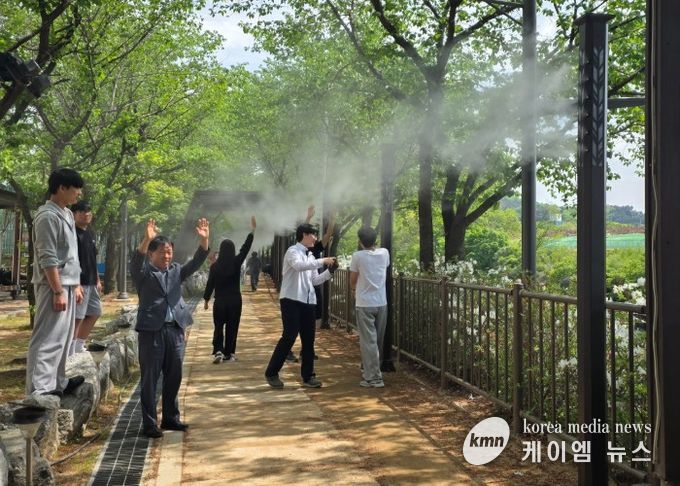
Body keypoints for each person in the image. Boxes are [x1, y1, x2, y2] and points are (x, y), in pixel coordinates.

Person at [131, 218, 209, 438]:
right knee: (150, 379)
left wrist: (204, 241)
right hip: (151, 332)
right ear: (151, 254)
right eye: (162, 253)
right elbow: (135, 263)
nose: (167, 256)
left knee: (174, 376)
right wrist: (147, 239)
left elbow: (196, 263)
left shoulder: (176, 270)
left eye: (169, 253)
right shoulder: (144, 273)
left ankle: (170, 418)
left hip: (175, 330)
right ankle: (149, 424)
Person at [26, 168, 85, 397]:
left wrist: (76, 284)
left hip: (67, 284)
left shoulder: (67, 214)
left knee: (63, 337)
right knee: (47, 337)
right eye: (76, 188)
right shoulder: (47, 217)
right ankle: (40, 389)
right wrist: (58, 290)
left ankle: (58, 382)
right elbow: (48, 257)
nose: (78, 193)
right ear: (61, 188)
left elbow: (70, 254)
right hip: (53, 286)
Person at [264, 223, 335, 389]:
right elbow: (298, 266)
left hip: (308, 301)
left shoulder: (310, 256)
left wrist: (330, 272)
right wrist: (323, 260)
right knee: (289, 336)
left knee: (309, 340)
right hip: (291, 299)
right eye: (314, 235)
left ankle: (308, 376)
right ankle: (271, 372)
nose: (316, 238)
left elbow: (314, 280)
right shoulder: (292, 251)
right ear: (304, 235)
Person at [203, 216, 256, 363]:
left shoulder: (215, 266)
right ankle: (229, 353)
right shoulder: (236, 262)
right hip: (234, 301)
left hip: (220, 301)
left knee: (218, 326)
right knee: (232, 327)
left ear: (220, 251)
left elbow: (210, 284)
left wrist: (206, 300)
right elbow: (245, 248)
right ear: (232, 250)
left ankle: (218, 351)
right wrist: (252, 231)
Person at [349, 226, 390, 388]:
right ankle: (370, 368)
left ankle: (373, 378)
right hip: (381, 302)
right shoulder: (384, 253)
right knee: (376, 340)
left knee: (368, 342)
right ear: (375, 240)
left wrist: (354, 290)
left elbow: (353, 279)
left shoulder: (357, 256)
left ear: (360, 241)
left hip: (364, 303)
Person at [69, 201, 102, 355]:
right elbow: (72, 260)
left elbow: (93, 259)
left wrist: (98, 279)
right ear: (74, 214)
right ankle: (70, 350)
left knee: (95, 312)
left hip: (92, 281)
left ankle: (79, 344)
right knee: (78, 317)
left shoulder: (90, 233)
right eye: (82, 211)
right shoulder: (72, 234)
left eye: (88, 211)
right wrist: (76, 283)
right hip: (80, 283)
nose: (86, 214)